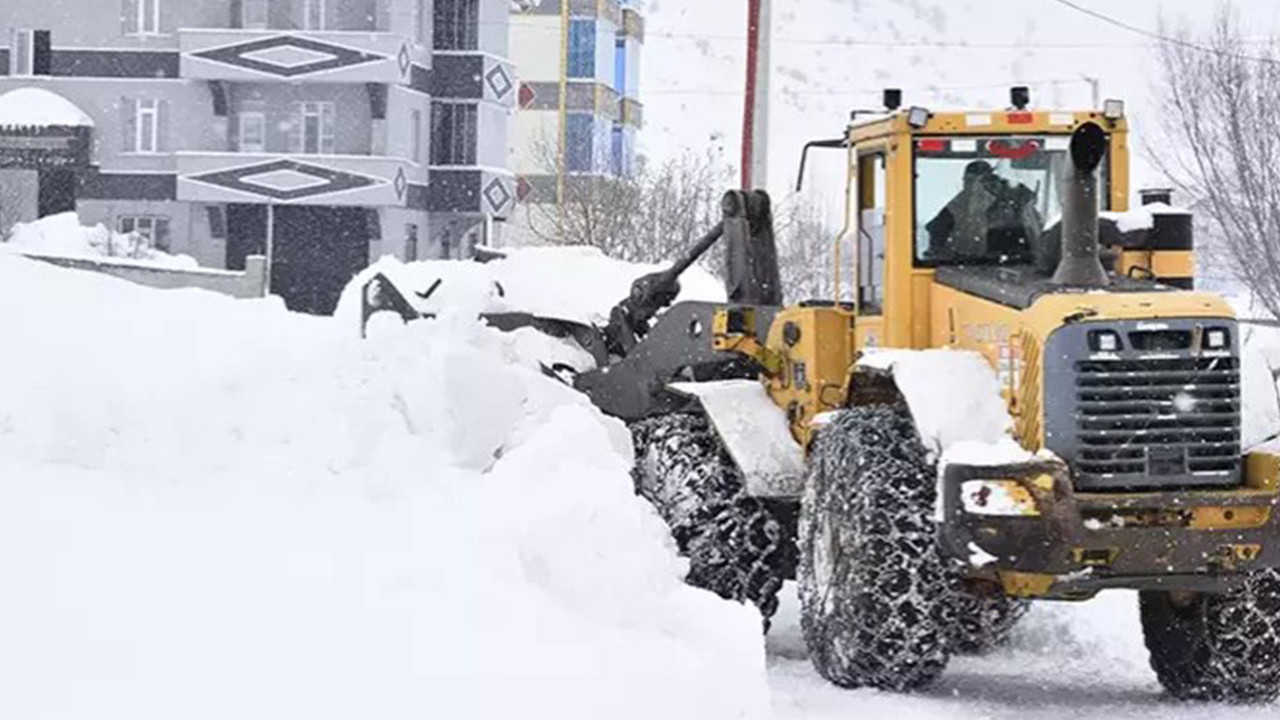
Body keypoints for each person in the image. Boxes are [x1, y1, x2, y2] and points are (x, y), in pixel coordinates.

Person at [925, 160, 1042, 263]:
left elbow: (937, 233)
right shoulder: (957, 206)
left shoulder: (961, 205)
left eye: (973, 181)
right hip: (1012, 264)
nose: (971, 186)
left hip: (976, 264)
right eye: (968, 180)